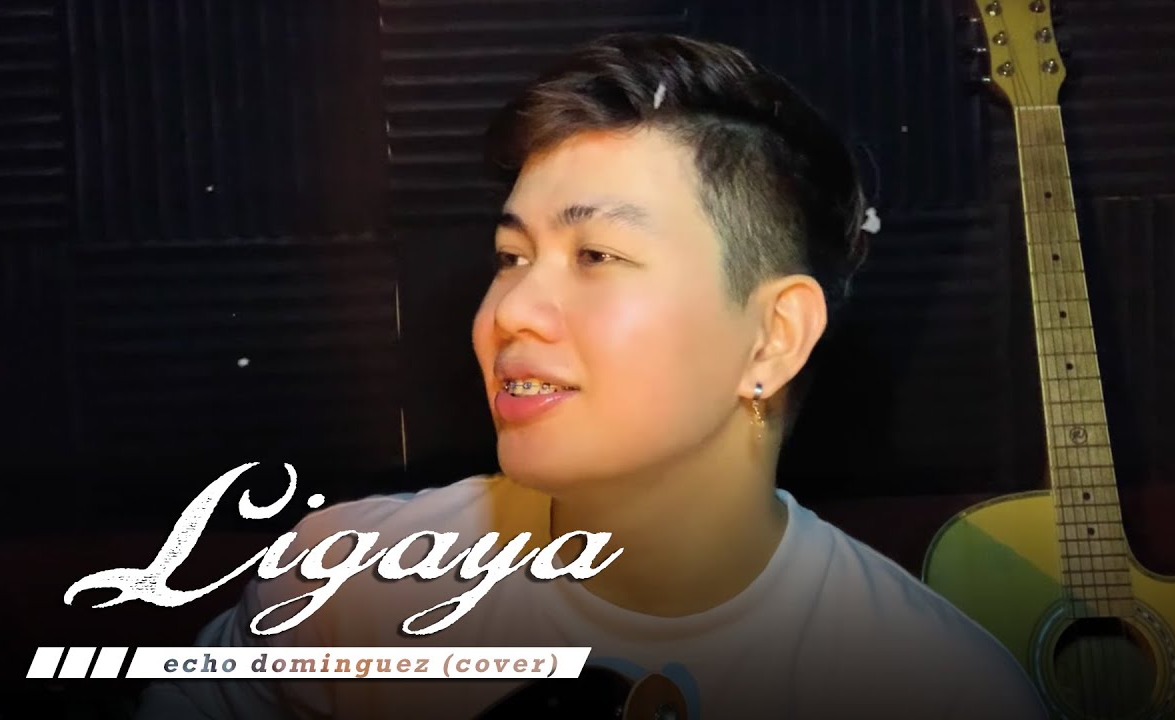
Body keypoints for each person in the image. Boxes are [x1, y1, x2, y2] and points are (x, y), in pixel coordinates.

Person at [136, 32, 1046, 720]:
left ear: (772, 339)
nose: (511, 312)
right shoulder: (348, 587)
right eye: (510, 256)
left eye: (597, 254)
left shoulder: (938, 687)